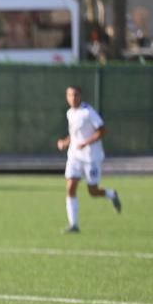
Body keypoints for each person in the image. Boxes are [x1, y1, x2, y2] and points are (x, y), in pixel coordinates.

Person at [56, 84, 122, 233]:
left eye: (75, 95)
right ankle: (74, 224)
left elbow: (103, 130)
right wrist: (65, 142)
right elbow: (74, 134)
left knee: (93, 191)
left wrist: (86, 143)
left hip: (91, 157)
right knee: (70, 186)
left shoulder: (88, 112)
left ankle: (111, 194)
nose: (73, 98)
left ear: (80, 96)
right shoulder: (70, 113)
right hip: (74, 156)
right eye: (70, 95)